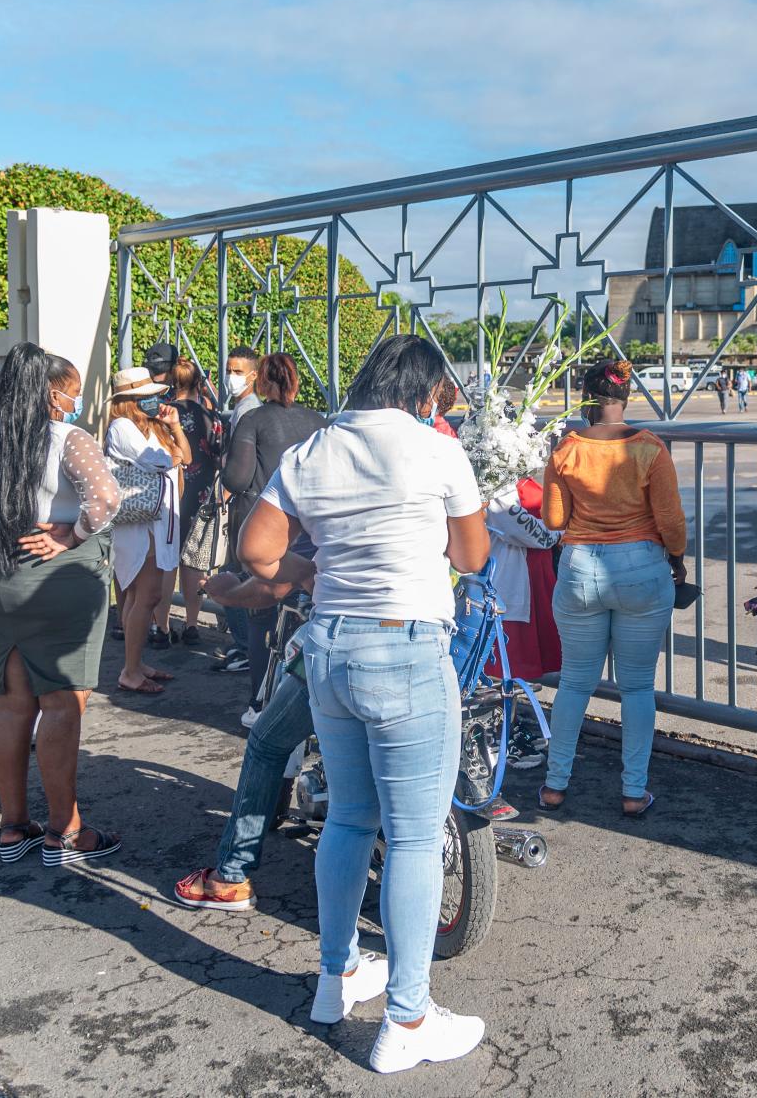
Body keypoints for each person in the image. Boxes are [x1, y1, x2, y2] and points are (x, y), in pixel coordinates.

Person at [241, 333, 489, 1072]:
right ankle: (408, 1017)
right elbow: (472, 556)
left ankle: (337, 976)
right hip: (405, 644)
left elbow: (256, 551)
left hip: (330, 646)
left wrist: (310, 571)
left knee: (348, 818)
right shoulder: (437, 449)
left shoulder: (312, 450)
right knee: (413, 836)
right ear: (423, 392)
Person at [0, 343, 122, 866]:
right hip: (58, 574)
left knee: (10, 701)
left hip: (1, 571)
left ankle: (13, 827)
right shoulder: (68, 438)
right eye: (72, 393)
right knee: (61, 703)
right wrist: (72, 536)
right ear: (52, 394)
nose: (75, 402)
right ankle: (65, 831)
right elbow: (106, 499)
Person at [537, 358, 685, 819]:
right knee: (637, 687)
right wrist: (677, 559)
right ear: (626, 398)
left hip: (581, 570)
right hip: (642, 570)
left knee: (574, 683)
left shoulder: (567, 449)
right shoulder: (650, 448)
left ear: (587, 399)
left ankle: (554, 785)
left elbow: (554, 519)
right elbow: (671, 522)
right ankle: (633, 791)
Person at [171, 569, 310, 914]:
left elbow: (275, 576)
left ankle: (231, 875)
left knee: (266, 743)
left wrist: (228, 593)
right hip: (425, 647)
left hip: (344, 646)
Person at [217, 354, 327, 683]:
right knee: (305, 609)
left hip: (262, 525)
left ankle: (258, 698)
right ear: (296, 381)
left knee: (261, 613)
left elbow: (237, 478)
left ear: (261, 382)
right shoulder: (318, 421)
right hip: (310, 529)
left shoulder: (254, 420)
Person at [104, 367, 192, 691]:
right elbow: (161, 460)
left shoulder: (151, 426)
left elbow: (184, 456)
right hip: (140, 523)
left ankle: (135, 663)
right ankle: (130, 671)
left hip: (154, 519)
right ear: (131, 400)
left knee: (137, 594)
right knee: (148, 594)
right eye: (147, 396)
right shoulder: (121, 427)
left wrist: (175, 429)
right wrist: (173, 455)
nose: (154, 401)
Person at [487, 474, 561, 767]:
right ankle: (498, 736)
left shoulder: (514, 469)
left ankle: (509, 727)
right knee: (502, 668)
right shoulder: (495, 475)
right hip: (506, 583)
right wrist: (559, 531)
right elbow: (517, 526)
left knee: (512, 669)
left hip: (526, 580)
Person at [168, 358, 226, 648]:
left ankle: (161, 623)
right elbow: (219, 453)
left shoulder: (165, 413)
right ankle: (191, 623)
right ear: (199, 383)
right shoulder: (212, 416)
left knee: (167, 559)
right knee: (194, 561)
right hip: (202, 493)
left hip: (171, 492)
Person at [226, 346, 262, 426]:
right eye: (228, 371)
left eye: (238, 372)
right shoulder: (242, 405)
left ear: (253, 375)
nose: (231, 376)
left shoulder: (247, 410)